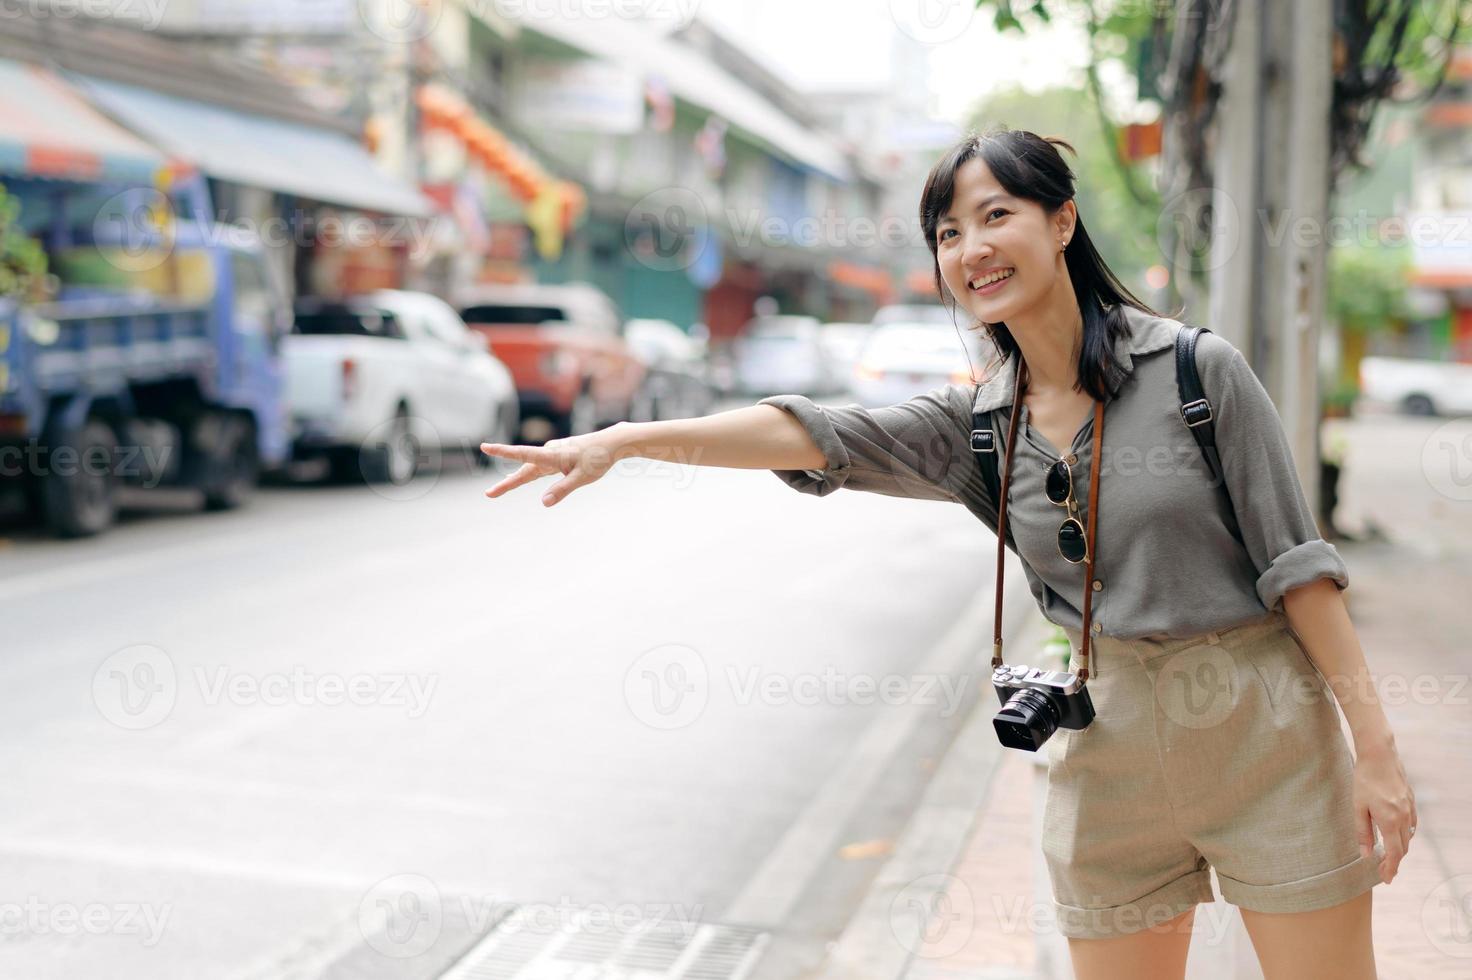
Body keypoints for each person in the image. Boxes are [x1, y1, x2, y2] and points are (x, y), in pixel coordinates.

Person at [479, 128, 1415, 980]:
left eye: (995, 216)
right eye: (947, 232)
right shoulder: (976, 426)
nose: (971, 249)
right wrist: (628, 442)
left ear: (1062, 222)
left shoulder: (1197, 373)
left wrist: (1375, 753)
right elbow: (812, 433)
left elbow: (1300, 571)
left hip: (1267, 738)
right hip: (1107, 746)